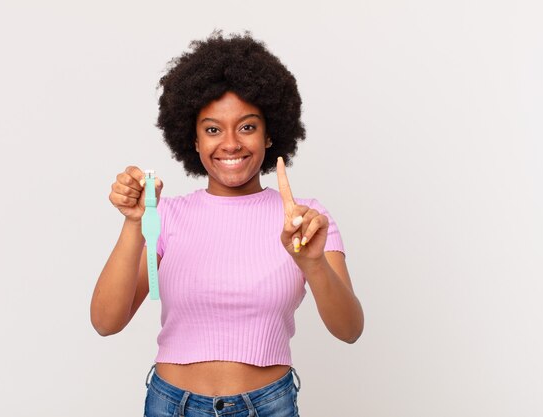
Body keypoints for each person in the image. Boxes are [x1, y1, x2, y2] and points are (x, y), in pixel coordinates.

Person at [90, 31, 364, 417]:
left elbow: (349, 329)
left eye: (247, 126)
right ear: (195, 139)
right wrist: (135, 223)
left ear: (270, 135)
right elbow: (105, 321)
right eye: (213, 129)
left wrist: (312, 263)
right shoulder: (165, 216)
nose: (231, 143)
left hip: (268, 405)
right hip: (172, 405)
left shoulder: (305, 220)